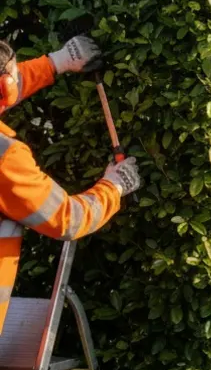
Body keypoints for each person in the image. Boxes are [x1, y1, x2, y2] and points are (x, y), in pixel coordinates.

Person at [0, 36, 141, 326]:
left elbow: (11, 87)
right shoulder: (5, 159)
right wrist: (114, 186)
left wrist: (57, 62)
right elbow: (66, 218)